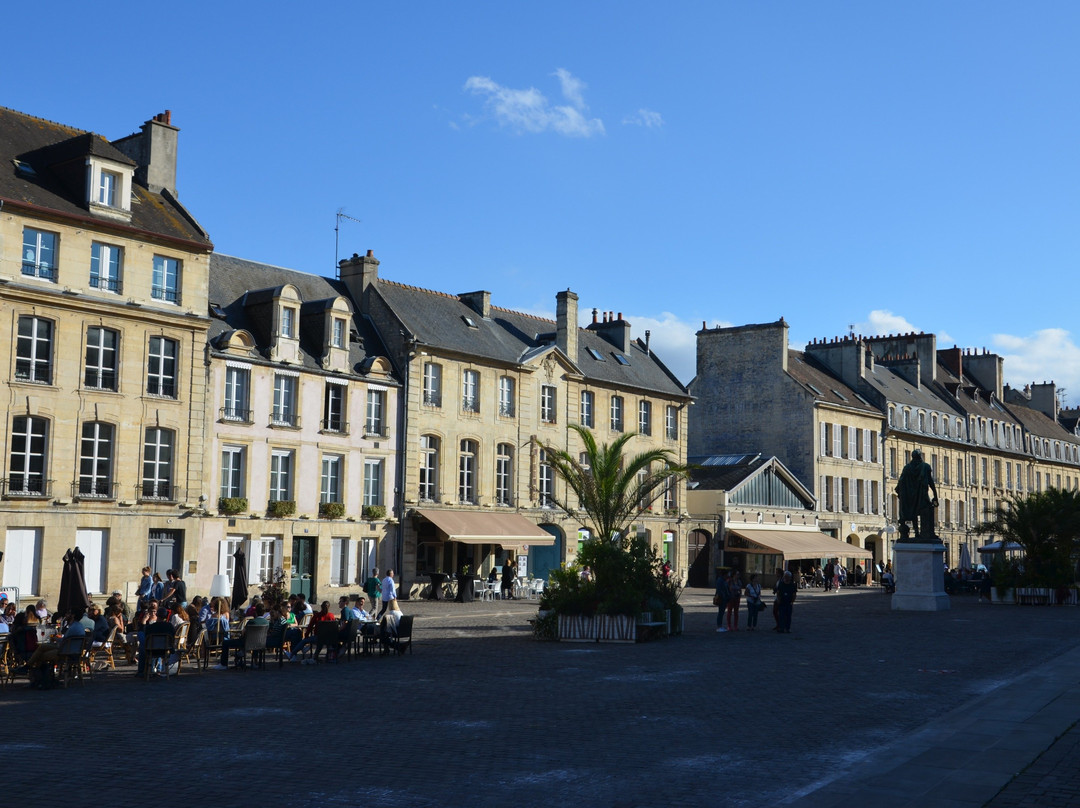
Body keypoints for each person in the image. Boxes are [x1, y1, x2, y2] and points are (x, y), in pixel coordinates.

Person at [896, 448, 939, 540]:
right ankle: (927, 533)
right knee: (926, 510)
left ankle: (917, 532)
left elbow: (901, 482)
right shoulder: (925, 466)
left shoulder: (907, 468)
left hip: (910, 496)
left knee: (914, 512)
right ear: (920, 456)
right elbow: (930, 482)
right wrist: (935, 495)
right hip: (921, 495)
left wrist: (902, 493)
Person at [213, 603, 270, 670]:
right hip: (260, 643)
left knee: (225, 643)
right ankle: (253, 661)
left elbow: (243, 632)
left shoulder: (251, 622)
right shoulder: (267, 622)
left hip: (246, 643)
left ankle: (224, 664)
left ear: (256, 612)